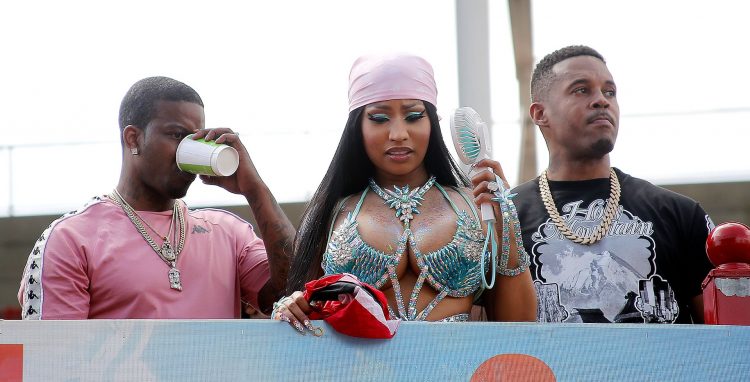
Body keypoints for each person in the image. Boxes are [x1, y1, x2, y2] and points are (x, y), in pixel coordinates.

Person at [276, 53, 537, 332]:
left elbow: (519, 326)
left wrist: (505, 221)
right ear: (357, 127)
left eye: (413, 116)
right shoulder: (331, 213)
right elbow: (306, 310)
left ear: (433, 122)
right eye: (379, 118)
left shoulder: (477, 204)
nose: (398, 133)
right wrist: (289, 307)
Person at [18, 76, 295, 319]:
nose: (187, 151)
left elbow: (295, 292)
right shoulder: (70, 239)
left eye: (196, 140)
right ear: (133, 139)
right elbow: (53, 358)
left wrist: (255, 188)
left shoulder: (228, 232)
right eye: (177, 135)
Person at [512, 45, 714, 324]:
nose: (601, 101)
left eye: (609, 92)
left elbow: (729, 341)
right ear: (539, 114)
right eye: (581, 90)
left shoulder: (680, 213)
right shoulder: (505, 218)